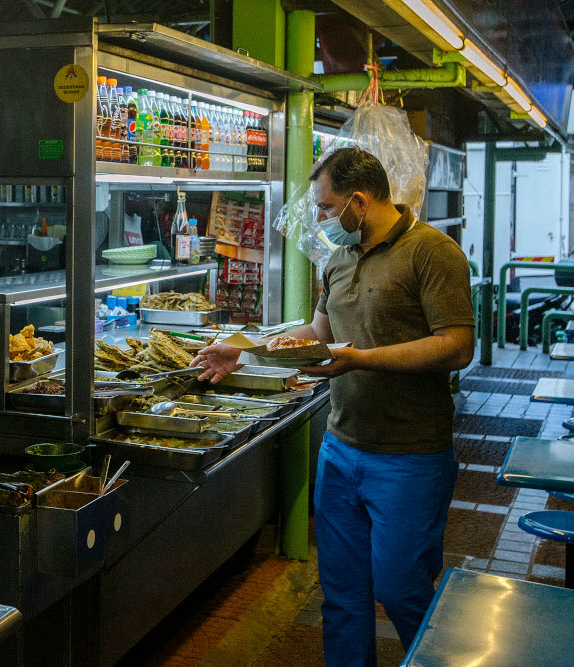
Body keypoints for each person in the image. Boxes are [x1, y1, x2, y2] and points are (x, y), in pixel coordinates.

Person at [191, 147, 475, 666]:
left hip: (409, 457)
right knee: (342, 597)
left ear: (359, 202)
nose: (321, 219)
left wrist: (361, 359)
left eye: (326, 208)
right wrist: (246, 347)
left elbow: (457, 345)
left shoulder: (434, 253)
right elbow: (319, 333)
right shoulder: (339, 257)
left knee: (402, 590)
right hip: (341, 451)